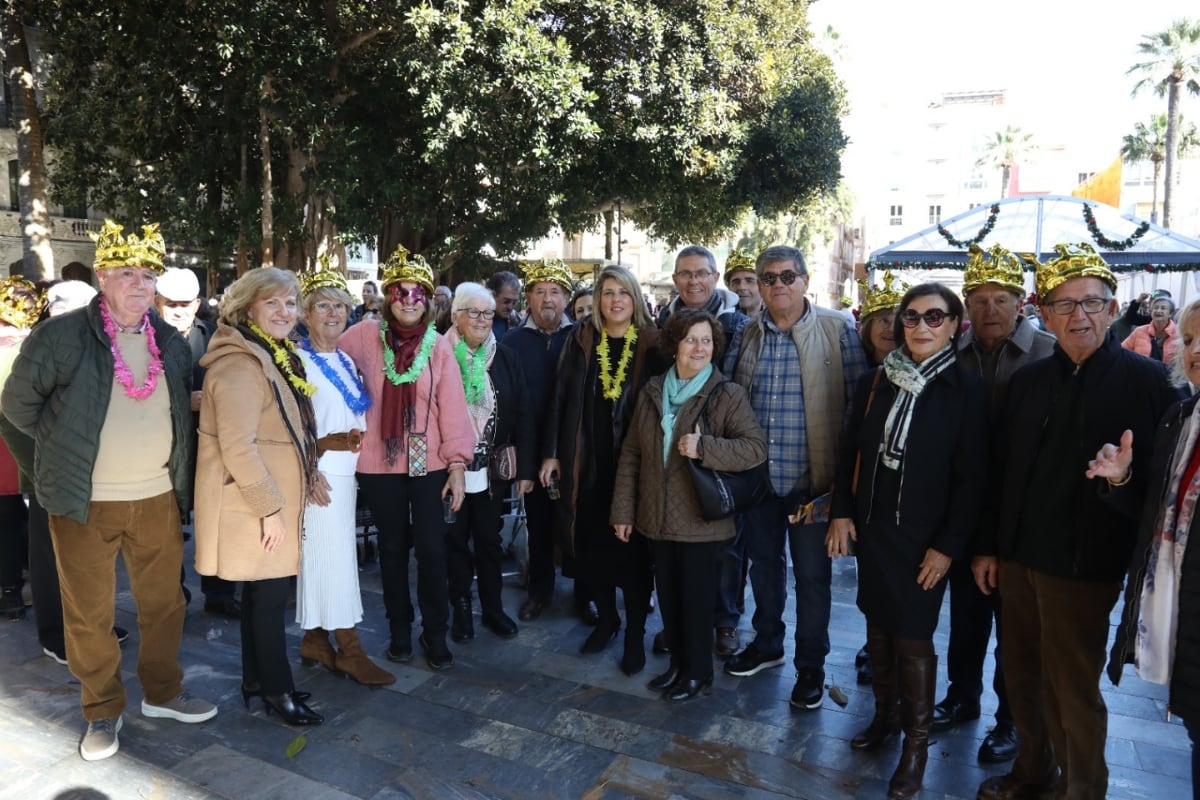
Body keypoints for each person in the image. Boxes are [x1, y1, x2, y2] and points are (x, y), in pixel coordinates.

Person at [972, 243, 1184, 800]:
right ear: (1043, 315)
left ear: (1113, 311)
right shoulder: (1028, 382)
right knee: (1019, 675)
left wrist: (1119, 478)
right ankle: (1033, 771)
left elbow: (1161, 494)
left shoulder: (1149, 383)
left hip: (1086, 565)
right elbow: (1002, 473)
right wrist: (990, 547)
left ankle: (1083, 790)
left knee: (1072, 688)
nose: (1078, 317)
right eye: (1064, 306)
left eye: (1090, 303)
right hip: (1019, 557)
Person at [2, 220, 217, 761]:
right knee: (89, 613)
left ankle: (164, 693)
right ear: (104, 277)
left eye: (148, 275)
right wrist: (61, 451)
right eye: (127, 273)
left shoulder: (170, 341)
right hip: (83, 501)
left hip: (156, 499)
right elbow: (16, 406)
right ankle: (101, 709)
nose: (140, 284)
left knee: (165, 604)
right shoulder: (61, 335)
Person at [828, 282, 988, 799]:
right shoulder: (878, 380)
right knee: (877, 625)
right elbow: (850, 450)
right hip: (875, 530)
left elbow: (973, 480)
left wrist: (948, 546)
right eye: (912, 317)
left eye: (934, 317)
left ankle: (915, 748)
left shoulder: (966, 389)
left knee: (913, 638)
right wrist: (843, 514)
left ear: (954, 325)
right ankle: (885, 719)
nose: (921, 327)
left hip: (925, 541)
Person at [722, 244, 869, 711]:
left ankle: (811, 667)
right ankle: (767, 644)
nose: (779, 285)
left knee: (812, 578)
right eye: (769, 278)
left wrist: (843, 489)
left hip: (815, 485)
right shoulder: (747, 333)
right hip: (760, 482)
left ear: (805, 281)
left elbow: (855, 411)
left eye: (788, 276)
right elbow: (729, 398)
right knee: (763, 569)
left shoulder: (837, 329)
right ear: (759, 286)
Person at [934, 244, 1055, 765]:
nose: (989, 310)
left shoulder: (1048, 353)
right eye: (979, 300)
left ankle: (1011, 721)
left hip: (1024, 514)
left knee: (1017, 627)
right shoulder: (951, 355)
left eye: (1000, 299)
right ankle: (962, 697)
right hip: (964, 511)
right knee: (965, 617)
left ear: (1020, 302)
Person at [612, 309, 767, 701]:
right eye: (691, 339)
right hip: (655, 517)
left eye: (707, 341)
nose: (699, 348)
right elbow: (631, 455)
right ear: (674, 344)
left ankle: (698, 673)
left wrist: (705, 448)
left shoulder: (725, 394)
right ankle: (678, 666)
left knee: (696, 602)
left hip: (701, 520)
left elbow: (755, 449)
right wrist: (623, 511)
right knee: (669, 598)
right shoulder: (652, 391)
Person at [194, 267, 326, 726]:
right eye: (272, 303)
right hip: (257, 504)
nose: (284, 312)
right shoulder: (240, 364)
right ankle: (277, 691)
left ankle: (257, 682)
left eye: (290, 303)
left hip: (267, 500)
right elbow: (238, 446)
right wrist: (270, 509)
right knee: (269, 600)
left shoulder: (268, 354)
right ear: (247, 307)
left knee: (259, 596)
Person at [340, 245, 473, 670]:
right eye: (402, 292)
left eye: (419, 293)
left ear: (430, 299)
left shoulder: (437, 346)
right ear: (388, 296)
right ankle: (399, 631)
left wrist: (457, 464)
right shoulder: (362, 336)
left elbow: (452, 407)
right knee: (393, 550)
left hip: (428, 462)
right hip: (380, 463)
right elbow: (329, 363)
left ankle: (435, 633)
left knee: (432, 550)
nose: (410, 301)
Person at [542, 265, 664, 672]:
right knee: (591, 548)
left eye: (623, 293)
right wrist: (552, 453)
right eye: (607, 293)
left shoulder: (652, 344)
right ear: (597, 301)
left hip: (633, 470)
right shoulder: (580, 341)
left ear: (635, 299)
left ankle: (634, 635)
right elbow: (559, 401)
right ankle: (607, 620)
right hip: (586, 464)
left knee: (631, 558)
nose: (615, 301)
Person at [1108, 297, 1200, 799]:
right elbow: (1155, 515)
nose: (1196, 350)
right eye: (1188, 340)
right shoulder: (1181, 417)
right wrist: (1121, 477)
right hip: (1183, 615)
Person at [294, 264, 395, 687]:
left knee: (324, 560)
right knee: (333, 561)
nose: (333, 314)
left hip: (346, 473)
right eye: (322, 306)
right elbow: (292, 425)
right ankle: (350, 649)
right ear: (305, 313)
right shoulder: (296, 361)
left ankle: (315, 640)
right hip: (319, 474)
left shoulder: (346, 360)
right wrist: (310, 469)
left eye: (340, 306)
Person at [444, 282, 535, 643]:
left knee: (488, 539)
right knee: (454, 540)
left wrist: (525, 469)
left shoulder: (505, 355)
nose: (482, 320)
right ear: (456, 317)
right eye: (473, 312)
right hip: (448, 468)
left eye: (487, 312)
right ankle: (461, 611)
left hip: (493, 468)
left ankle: (493, 609)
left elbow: (524, 411)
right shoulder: (438, 354)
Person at [155, 267, 239, 617]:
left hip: (208, 445)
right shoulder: (145, 338)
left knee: (216, 519)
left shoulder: (215, 335)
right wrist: (181, 401)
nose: (177, 310)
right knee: (166, 526)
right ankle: (171, 594)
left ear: (197, 304)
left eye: (184, 303)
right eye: (170, 303)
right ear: (157, 303)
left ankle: (219, 595)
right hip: (163, 448)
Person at [502, 260, 576, 623]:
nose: (547, 299)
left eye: (555, 292)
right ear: (527, 297)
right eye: (540, 291)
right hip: (530, 450)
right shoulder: (511, 342)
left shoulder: (581, 338)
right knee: (539, 523)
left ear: (567, 298)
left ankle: (586, 593)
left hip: (574, 450)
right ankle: (540, 590)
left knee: (578, 524)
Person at [848, 270, 907, 686]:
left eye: (897, 317)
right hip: (864, 499)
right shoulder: (862, 375)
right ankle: (877, 647)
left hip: (906, 504)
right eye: (880, 318)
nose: (889, 326)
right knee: (871, 583)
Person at [0, 278, 40, 621]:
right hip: (27, 448)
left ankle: (11, 590)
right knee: (17, 519)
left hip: (7, 448)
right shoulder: (37, 346)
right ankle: (17, 586)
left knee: (8, 520)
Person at [656, 245, 747, 363]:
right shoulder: (661, 324)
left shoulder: (741, 328)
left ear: (715, 278)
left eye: (702, 273)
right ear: (675, 280)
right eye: (685, 274)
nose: (693, 281)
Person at [1123, 294, 1178, 365]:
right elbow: (1122, 351)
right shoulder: (1139, 331)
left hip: (1167, 375)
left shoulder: (1179, 334)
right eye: (1155, 308)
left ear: (1170, 313)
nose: (1158, 310)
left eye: (1163, 308)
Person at [724, 250, 762, 317]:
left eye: (749, 281)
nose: (742, 287)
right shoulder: (717, 322)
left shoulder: (778, 320)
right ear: (729, 287)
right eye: (736, 282)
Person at [487, 270, 522, 340]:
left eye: (514, 302)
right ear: (492, 295)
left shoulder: (516, 320)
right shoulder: (476, 321)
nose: (510, 307)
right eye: (506, 301)